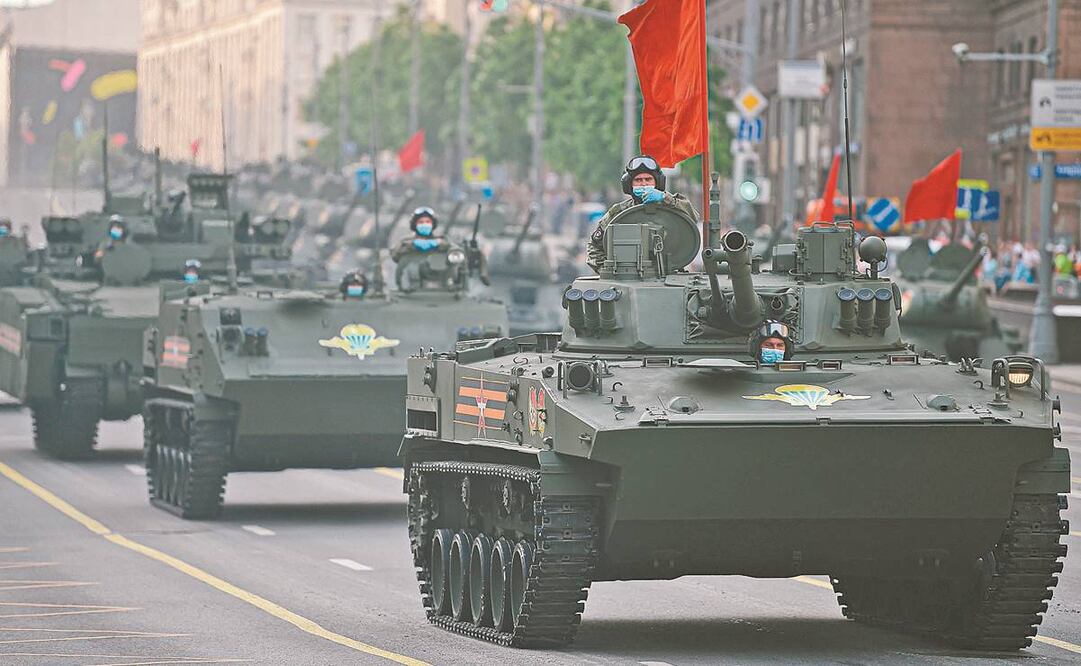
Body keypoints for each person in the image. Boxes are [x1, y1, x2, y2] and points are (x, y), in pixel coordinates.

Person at [586, 155, 697, 273]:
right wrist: (608, 271)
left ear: (658, 182)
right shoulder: (618, 212)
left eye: (648, 179)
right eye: (638, 180)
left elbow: (693, 219)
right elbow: (594, 245)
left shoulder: (672, 204)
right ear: (629, 184)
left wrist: (665, 198)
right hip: (628, 276)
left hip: (669, 273)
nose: (644, 184)